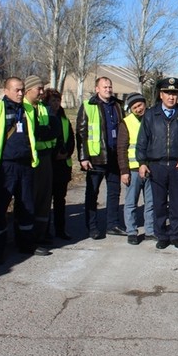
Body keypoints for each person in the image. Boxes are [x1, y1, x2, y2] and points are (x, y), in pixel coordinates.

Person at [0, 77, 45, 264]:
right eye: (16, 90)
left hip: (25, 165)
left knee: (26, 206)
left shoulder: (29, 109)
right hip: (4, 166)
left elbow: (33, 135)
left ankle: (26, 244)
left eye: (22, 90)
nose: (20, 93)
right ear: (6, 90)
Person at [136, 77, 178, 249]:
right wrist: (142, 162)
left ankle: (175, 235)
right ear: (161, 94)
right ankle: (162, 235)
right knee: (159, 203)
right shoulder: (151, 115)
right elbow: (142, 140)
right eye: (168, 93)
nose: (171, 97)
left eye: (174, 93)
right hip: (157, 166)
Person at [76, 77, 125, 239]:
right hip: (96, 157)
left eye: (110, 87)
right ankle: (92, 227)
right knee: (92, 194)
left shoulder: (118, 105)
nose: (108, 90)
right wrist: (83, 157)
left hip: (114, 156)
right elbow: (81, 133)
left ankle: (113, 224)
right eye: (105, 87)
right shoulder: (88, 106)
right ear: (97, 89)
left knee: (114, 192)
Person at [22, 76, 58, 250]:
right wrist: (43, 132)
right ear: (28, 89)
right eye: (39, 89)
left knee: (44, 197)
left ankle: (41, 234)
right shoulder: (23, 108)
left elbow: (54, 129)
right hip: (29, 158)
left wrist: (43, 132)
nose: (42, 92)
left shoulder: (45, 108)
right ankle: (28, 238)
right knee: (30, 198)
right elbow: (32, 132)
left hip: (45, 157)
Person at [116, 92, 154, 245]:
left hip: (151, 168)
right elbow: (121, 148)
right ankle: (131, 231)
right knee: (131, 202)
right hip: (133, 169)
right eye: (135, 107)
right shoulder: (126, 123)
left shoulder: (152, 118)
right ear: (131, 109)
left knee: (150, 203)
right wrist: (124, 171)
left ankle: (150, 231)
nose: (139, 109)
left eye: (140, 105)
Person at [43, 88, 74, 240]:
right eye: (53, 100)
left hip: (63, 166)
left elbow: (71, 140)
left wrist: (66, 153)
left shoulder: (64, 119)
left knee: (60, 200)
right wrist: (55, 154)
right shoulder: (44, 117)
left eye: (58, 100)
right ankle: (45, 230)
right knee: (46, 200)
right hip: (49, 164)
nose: (56, 104)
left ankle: (60, 229)